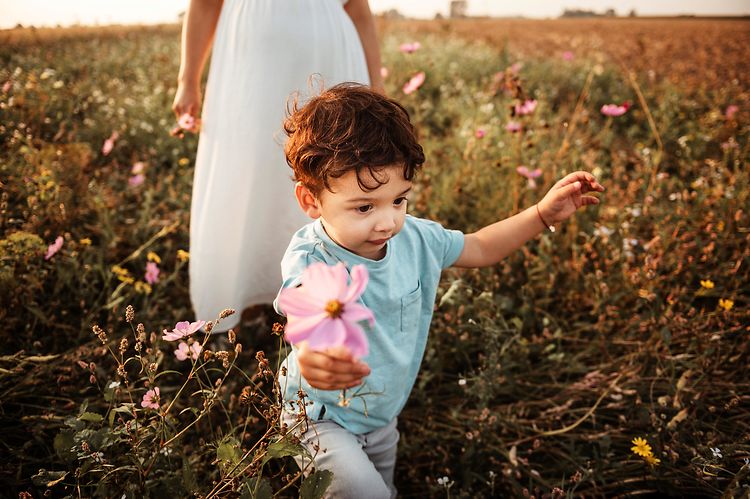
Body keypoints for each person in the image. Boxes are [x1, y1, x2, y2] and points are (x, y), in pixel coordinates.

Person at [273, 83, 605, 497]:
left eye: (399, 200)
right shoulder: (312, 258)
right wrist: (314, 357)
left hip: (381, 412)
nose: (387, 222)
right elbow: (303, 315)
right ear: (311, 200)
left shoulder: (414, 238)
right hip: (320, 417)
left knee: (383, 489)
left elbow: (481, 246)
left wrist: (541, 214)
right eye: (364, 207)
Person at [172, 0, 384, 332]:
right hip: (250, 60)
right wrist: (188, 80)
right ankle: (244, 298)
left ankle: (332, 294)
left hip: (333, 55)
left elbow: (358, 8)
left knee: (334, 167)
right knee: (248, 169)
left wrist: (376, 88)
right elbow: (204, 5)